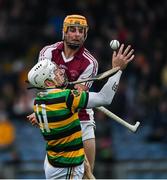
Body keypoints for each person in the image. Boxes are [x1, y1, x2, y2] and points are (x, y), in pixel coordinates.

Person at [27, 43, 134, 179]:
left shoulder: (38, 101)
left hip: (56, 163)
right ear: (48, 83)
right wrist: (117, 70)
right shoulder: (66, 98)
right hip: (67, 166)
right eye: (55, 72)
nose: (61, 71)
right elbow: (104, 98)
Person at [28, 14, 99, 172]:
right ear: (64, 32)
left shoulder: (90, 62)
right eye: (72, 30)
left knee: (87, 174)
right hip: (59, 120)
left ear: (85, 34)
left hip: (83, 119)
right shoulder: (48, 52)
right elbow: (43, 85)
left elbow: (77, 96)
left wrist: (45, 107)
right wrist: (42, 110)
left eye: (81, 31)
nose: (77, 34)